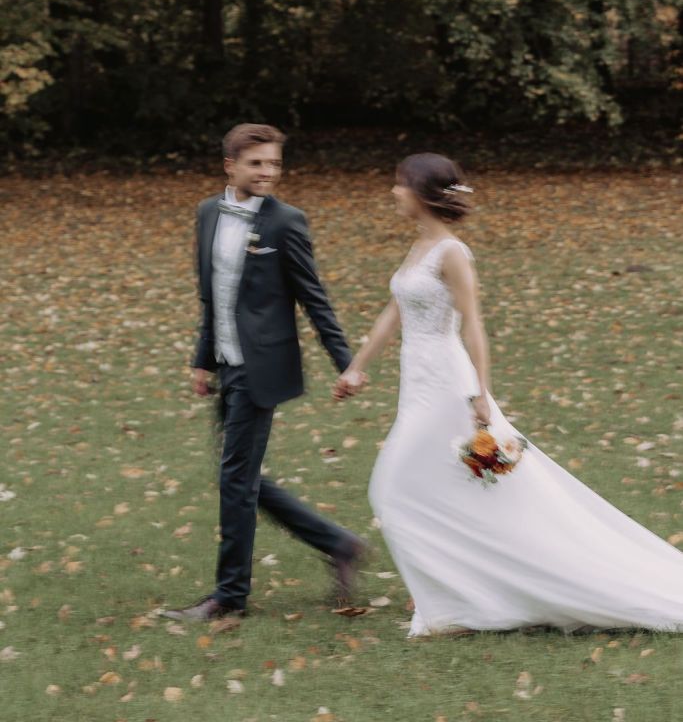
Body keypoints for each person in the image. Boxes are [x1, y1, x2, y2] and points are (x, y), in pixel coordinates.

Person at [334, 152, 683, 637]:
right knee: (433, 490)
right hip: (417, 383)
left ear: (422, 193)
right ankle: (459, 603)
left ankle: (459, 606)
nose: (393, 192)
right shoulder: (419, 247)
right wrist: (356, 368)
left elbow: (473, 324)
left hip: (447, 384)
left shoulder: (452, 252)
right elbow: (392, 315)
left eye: (399, 184)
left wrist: (481, 392)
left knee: (391, 488)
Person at [163, 123, 365, 623]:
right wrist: (202, 359)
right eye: (257, 163)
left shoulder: (285, 222)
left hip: (262, 366)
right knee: (239, 476)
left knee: (235, 478)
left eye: (274, 163)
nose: (268, 171)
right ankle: (339, 543)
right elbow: (212, 294)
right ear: (230, 165)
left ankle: (229, 597)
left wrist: (348, 362)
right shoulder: (208, 213)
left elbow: (313, 297)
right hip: (226, 362)